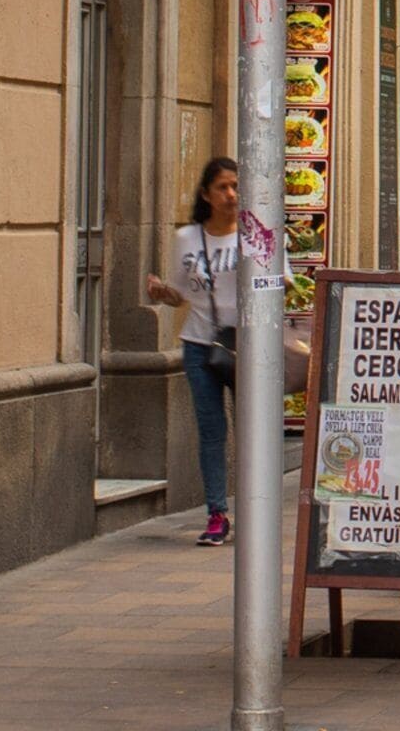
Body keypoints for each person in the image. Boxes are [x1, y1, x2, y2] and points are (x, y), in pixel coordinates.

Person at [139, 156, 243, 547]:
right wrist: (163, 294)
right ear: (206, 194)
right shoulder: (187, 238)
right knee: (212, 432)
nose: (231, 194)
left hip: (248, 347)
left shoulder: (258, 235)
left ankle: (255, 508)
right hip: (200, 346)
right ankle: (217, 514)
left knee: (254, 431)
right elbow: (180, 296)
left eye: (235, 185)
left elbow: (282, 285)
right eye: (223, 187)